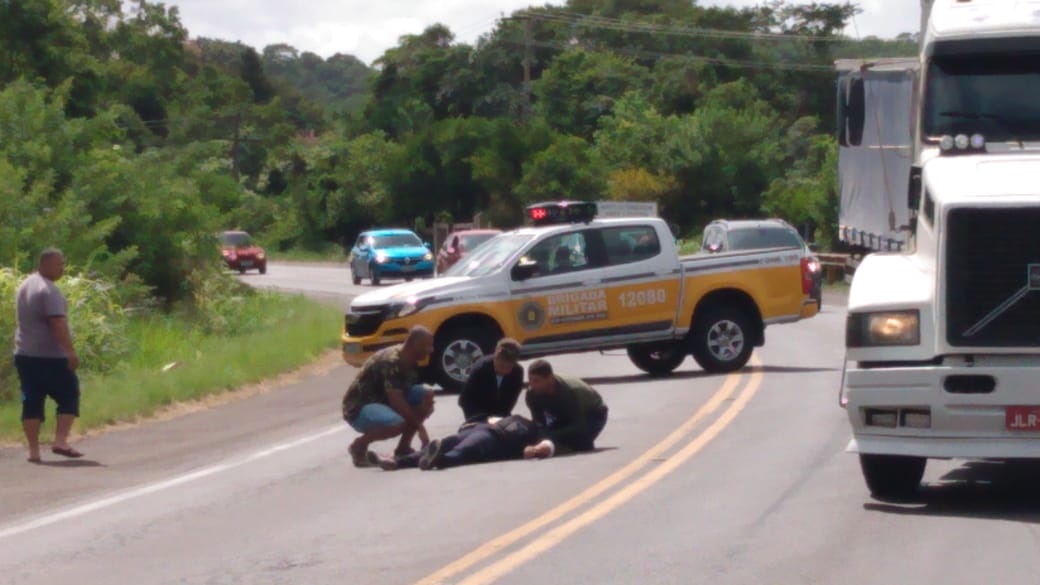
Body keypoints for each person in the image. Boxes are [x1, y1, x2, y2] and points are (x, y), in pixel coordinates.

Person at [14, 248, 82, 463]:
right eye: (58, 264)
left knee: (32, 400)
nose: (62, 268)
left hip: (25, 354)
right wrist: (70, 352)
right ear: (45, 264)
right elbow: (57, 322)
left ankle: (34, 451)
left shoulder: (26, 285)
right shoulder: (49, 290)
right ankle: (60, 441)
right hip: (50, 357)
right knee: (69, 394)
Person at [341, 325, 436, 467]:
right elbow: (396, 400)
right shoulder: (391, 361)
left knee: (426, 396)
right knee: (397, 423)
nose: (431, 350)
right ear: (415, 345)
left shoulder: (408, 359)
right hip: (360, 408)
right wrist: (420, 428)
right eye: (427, 346)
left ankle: (403, 448)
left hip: (382, 401)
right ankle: (359, 446)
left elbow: (404, 395)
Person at [376, 414, 555, 471]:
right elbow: (492, 418)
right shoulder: (518, 417)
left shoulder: (538, 434)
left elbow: (546, 447)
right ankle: (397, 462)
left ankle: (436, 460)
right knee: (446, 442)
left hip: (495, 440)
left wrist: (536, 449)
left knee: (461, 451)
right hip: (482, 429)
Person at [525, 359, 608, 453]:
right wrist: (542, 434)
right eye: (530, 380)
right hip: (562, 414)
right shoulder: (532, 394)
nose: (532, 385)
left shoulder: (568, 392)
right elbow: (539, 423)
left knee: (581, 443)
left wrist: (551, 436)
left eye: (536, 381)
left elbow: (578, 425)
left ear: (550, 378)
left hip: (593, 413)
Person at [457, 337, 524, 424]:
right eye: (501, 365)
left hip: (500, 417)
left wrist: (500, 420)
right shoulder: (481, 369)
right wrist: (479, 420)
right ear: (495, 358)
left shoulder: (517, 372)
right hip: (477, 415)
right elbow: (465, 400)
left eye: (508, 367)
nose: (503, 370)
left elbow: (510, 401)